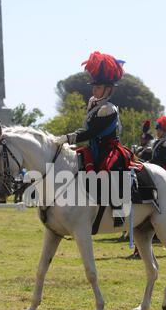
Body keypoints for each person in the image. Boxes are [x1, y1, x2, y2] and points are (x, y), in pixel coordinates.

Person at [55, 51, 128, 226]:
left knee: (107, 169)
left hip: (108, 148)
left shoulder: (108, 109)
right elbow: (86, 130)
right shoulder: (94, 104)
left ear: (108, 89)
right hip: (93, 147)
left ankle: (119, 210)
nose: (94, 89)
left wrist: (67, 138)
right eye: (94, 87)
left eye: (98, 87)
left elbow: (92, 132)